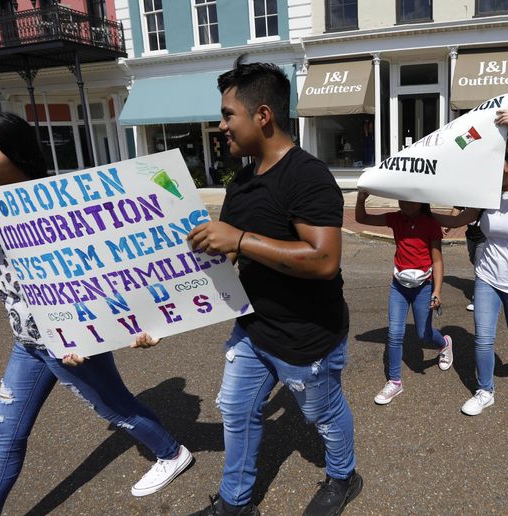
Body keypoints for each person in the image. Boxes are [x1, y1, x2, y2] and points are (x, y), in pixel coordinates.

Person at [0, 112, 193, 515]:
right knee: (4, 437)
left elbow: (114, 268)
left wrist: (115, 329)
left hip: (74, 340)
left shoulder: (65, 203)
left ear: (19, 153)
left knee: (115, 409)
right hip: (28, 344)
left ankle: (171, 452)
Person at [185, 56, 360, 516]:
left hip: (307, 338)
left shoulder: (308, 176)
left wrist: (240, 239)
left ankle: (344, 476)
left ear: (263, 115)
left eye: (228, 115)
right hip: (254, 329)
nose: (221, 125)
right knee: (237, 413)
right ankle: (235, 504)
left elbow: (324, 260)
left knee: (322, 416)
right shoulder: (241, 182)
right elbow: (233, 251)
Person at [434, 110, 508, 416]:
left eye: (495, 161)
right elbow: (457, 219)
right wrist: (423, 213)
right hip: (486, 276)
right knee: (483, 339)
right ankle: (485, 391)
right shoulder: (486, 196)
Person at [354, 193, 453, 404]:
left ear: (422, 200)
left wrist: (437, 291)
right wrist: (362, 198)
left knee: (423, 334)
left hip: (423, 287)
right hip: (398, 286)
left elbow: (437, 260)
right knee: (395, 333)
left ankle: (444, 343)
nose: (405, 205)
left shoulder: (431, 223)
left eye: (411, 200)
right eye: (402, 200)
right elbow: (362, 219)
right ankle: (395, 382)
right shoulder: (395, 218)